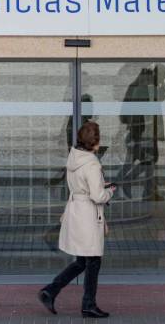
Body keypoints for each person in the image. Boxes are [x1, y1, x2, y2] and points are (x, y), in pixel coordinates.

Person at [38, 121, 116, 318]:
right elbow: (98, 196)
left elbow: (82, 185)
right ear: (95, 142)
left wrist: (99, 185)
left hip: (76, 210)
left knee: (83, 261)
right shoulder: (91, 163)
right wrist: (110, 191)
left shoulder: (74, 157)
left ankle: (51, 291)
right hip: (88, 215)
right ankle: (87, 304)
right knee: (93, 261)